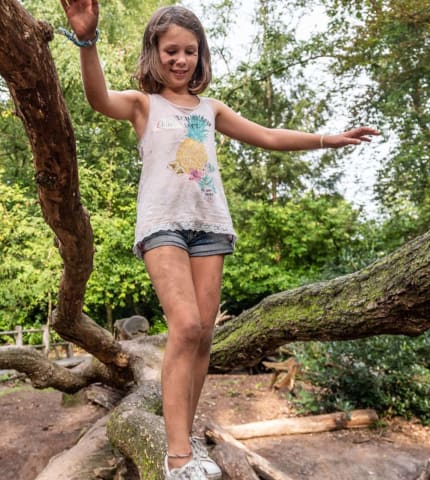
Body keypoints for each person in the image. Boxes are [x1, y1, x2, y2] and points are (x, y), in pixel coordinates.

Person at [60, 1, 378, 479]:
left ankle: (184, 439)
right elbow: (98, 98)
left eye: (190, 51)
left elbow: (268, 136)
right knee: (185, 325)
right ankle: (177, 457)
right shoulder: (144, 105)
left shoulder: (211, 110)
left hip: (210, 227)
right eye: (171, 50)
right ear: (155, 53)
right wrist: (87, 40)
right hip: (162, 226)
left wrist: (327, 139)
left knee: (204, 336)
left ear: (200, 57)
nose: (180, 59)